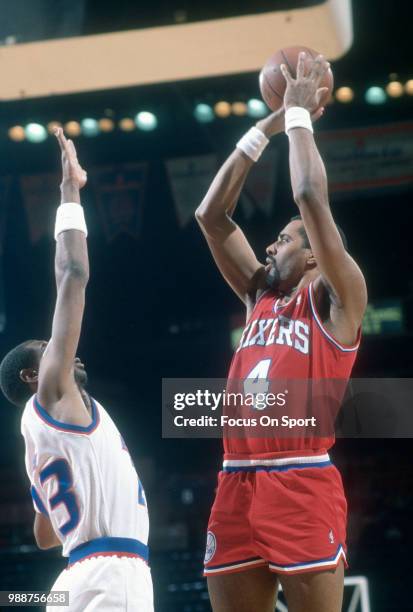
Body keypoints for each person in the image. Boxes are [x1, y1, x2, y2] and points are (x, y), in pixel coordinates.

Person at [195, 53, 367, 612]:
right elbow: (211, 217)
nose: (270, 246)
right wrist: (261, 129)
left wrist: (298, 119)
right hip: (236, 480)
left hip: (301, 480)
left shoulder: (340, 300)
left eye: (286, 240)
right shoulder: (258, 295)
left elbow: (310, 198)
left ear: (318, 253)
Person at [0, 129, 153, 612]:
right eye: (46, 349)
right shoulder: (52, 391)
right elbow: (72, 276)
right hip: (113, 572)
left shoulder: (35, 440)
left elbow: (44, 537)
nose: (65, 353)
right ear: (32, 376)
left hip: (70, 582)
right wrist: (70, 194)